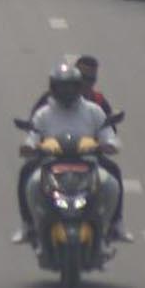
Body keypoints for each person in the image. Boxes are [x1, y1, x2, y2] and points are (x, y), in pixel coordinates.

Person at [13, 62, 127, 246]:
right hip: (51, 163)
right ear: (53, 87)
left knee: (113, 175)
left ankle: (116, 223)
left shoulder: (93, 110)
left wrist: (109, 146)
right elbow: (32, 136)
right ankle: (27, 225)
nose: (67, 91)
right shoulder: (44, 113)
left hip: (88, 161)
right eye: (62, 87)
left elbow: (109, 135)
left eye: (71, 87)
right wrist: (29, 147)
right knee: (27, 174)